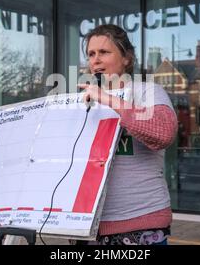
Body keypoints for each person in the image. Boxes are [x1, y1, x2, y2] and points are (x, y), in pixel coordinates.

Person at [76, 24, 178, 245]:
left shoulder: (147, 91)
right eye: (91, 54)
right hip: (87, 226)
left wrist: (110, 100)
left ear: (127, 58)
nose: (95, 60)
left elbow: (164, 133)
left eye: (104, 52)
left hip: (140, 225)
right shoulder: (85, 100)